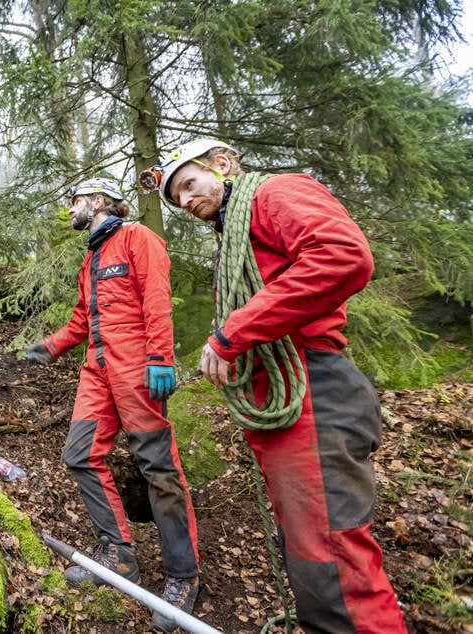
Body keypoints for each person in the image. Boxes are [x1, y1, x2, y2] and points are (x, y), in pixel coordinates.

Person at [144, 138, 408, 633]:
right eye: (176, 197)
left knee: (333, 569)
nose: (184, 201)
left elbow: (344, 255)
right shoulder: (238, 232)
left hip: (315, 394)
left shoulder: (275, 194)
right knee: (310, 559)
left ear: (221, 165)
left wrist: (232, 335)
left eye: (189, 184)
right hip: (290, 404)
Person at [25, 178, 200, 630]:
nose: (70, 211)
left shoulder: (138, 239)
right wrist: (51, 346)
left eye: (75, 202)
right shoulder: (91, 259)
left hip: (139, 369)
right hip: (97, 372)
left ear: (98, 201)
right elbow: (82, 319)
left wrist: (161, 358)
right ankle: (119, 555)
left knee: (158, 469)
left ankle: (183, 576)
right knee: (80, 454)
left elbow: (157, 301)